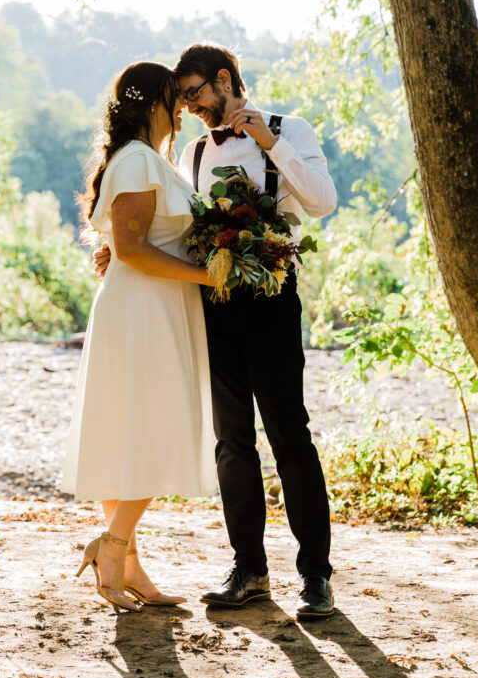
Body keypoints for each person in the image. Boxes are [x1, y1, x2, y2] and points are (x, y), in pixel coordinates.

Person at [95, 42, 338, 618]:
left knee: (289, 433)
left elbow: (323, 202)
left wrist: (270, 143)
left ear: (225, 80)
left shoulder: (290, 128)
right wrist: (118, 250)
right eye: (181, 99)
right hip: (212, 298)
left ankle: (316, 575)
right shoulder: (195, 154)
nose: (191, 107)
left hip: (272, 298)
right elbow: (175, 224)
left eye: (196, 93)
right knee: (232, 440)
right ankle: (249, 569)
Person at [61, 61, 218, 613]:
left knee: (127, 430)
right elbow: (129, 250)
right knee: (156, 426)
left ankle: (128, 567)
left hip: (150, 303)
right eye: (175, 97)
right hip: (143, 308)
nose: (183, 107)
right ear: (152, 101)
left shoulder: (149, 159)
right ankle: (114, 545)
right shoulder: (137, 160)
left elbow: (137, 239)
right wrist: (208, 273)